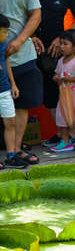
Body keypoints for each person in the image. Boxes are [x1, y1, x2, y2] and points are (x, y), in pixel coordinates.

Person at [33, 0, 75, 147]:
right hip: (40, 50)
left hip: (64, 51)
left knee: (68, 93)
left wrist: (61, 39)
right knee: (49, 94)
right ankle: (60, 131)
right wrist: (31, 37)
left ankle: (74, 131)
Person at [0, 0, 43, 165]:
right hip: (1, 60)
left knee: (23, 104)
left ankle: (16, 150)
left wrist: (20, 40)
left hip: (24, 55)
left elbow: (36, 14)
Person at [50, 30, 75, 152]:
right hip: (64, 97)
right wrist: (56, 78)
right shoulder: (60, 61)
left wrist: (70, 79)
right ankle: (65, 141)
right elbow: (55, 75)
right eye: (61, 44)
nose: (62, 47)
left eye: (65, 44)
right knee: (62, 118)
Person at [0, 14, 27, 169]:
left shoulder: (3, 45)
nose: (7, 34)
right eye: (4, 31)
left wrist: (13, 84)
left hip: (4, 89)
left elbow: (6, 62)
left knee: (10, 122)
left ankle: (11, 155)